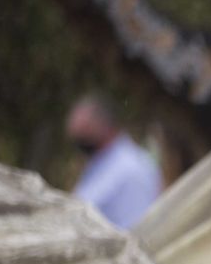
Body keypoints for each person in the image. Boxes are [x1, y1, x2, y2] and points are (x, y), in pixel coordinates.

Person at [66, 93, 162, 229]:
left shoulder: (132, 168)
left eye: (84, 132)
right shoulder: (99, 164)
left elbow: (139, 229)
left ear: (103, 125)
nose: (79, 142)